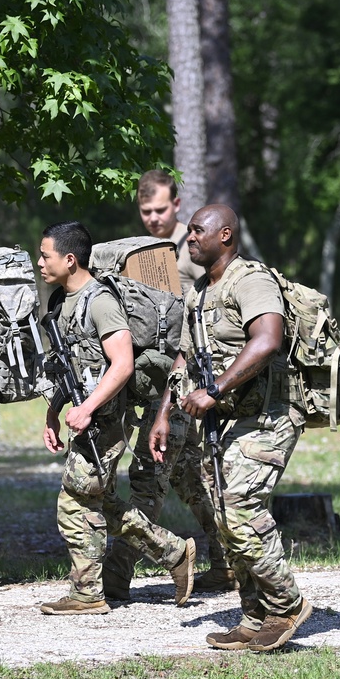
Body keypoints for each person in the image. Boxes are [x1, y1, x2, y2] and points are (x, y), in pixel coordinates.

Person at [150, 204, 313, 652]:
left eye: (198, 231)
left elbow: (267, 340)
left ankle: (287, 603)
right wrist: (165, 413)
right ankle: (253, 614)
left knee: (241, 506)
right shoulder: (199, 293)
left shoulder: (252, 280)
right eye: (189, 233)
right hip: (223, 421)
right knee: (221, 516)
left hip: (267, 416)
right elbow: (184, 359)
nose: (190, 239)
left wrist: (216, 390)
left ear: (225, 235)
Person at [37, 221, 195, 615]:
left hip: (106, 419)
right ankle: (173, 552)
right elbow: (69, 368)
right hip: (85, 416)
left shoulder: (100, 302)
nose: (39, 262)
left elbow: (122, 365)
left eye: (45, 255)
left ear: (70, 260)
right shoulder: (60, 302)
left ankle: (88, 593)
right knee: (98, 498)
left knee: (75, 500)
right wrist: (53, 413)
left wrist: (87, 409)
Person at [103, 170, 235, 600]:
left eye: (161, 209)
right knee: (188, 479)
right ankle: (229, 561)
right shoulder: (141, 254)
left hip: (184, 385)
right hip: (148, 385)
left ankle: (116, 576)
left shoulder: (197, 248)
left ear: (176, 205)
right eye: (146, 211)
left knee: (149, 476)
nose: (154, 218)